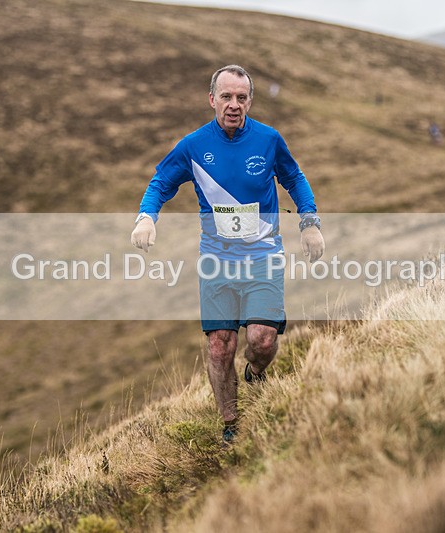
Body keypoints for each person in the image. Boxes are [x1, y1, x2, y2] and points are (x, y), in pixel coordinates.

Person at [131, 64, 324, 444]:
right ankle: (232, 423)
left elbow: (295, 178)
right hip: (216, 259)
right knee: (221, 345)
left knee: (262, 340)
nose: (233, 104)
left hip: (263, 255)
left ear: (250, 101)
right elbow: (160, 183)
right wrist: (146, 218)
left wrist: (310, 223)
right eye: (226, 97)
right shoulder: (193, 146)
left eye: (241, 97)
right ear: (212, 100)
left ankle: (255, 374)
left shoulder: (268, 140)